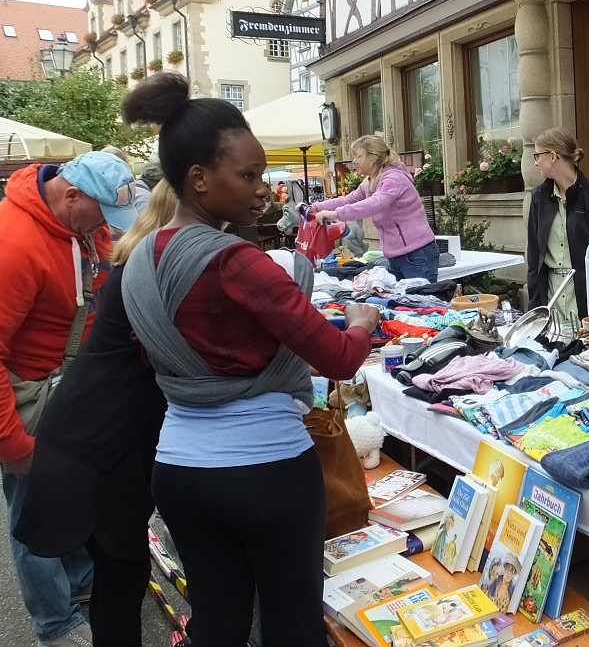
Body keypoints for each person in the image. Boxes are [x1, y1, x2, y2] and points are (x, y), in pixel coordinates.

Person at [119, 72, 381, 646]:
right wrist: (360, 325)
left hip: (180, 468)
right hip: (265, 471)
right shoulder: (236, 260)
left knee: (218, 620)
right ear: (199, 180)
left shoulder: (140, 261)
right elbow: (336, 358)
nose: (264, 189)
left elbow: (160, 354)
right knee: (291, 624)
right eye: (249, 175)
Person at [15, 181, 177, 647]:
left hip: (98, 443)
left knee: (118, 573)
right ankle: (59, 625)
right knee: (121, 572)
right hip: (96, 453)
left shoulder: (137, 263)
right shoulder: (150, 271)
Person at [0, 150, 138, 647]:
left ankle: (79, 584)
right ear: (72, 194)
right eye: (102, 214)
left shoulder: (80, 224)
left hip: (71, 386)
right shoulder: (14, 242)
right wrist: (12, 443)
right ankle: (54, 623)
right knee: (35, 515)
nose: (108, 227)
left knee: (76, 494)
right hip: (32, 392)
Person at [312, 136, 440, 283]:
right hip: (397, 255)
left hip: (416, 253)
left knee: (422, 302)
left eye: (358, 156)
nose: (354, 161)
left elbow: (376, 203)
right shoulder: (370, 181)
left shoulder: (393, 178)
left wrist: (336, 214)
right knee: (404, 304)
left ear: (372, 158)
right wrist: (315, 207)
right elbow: (349, 199)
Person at [526, 127, 589, 319]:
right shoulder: (539, 198)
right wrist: (535, 307)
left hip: (587, 296)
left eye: (537, 155)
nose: (535, 163)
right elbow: (534, 257)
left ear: (552, 156)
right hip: (551, 296)